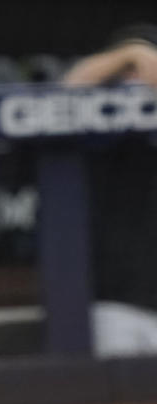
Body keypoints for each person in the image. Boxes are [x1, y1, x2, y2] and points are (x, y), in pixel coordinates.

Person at [62, 23, 157, 357]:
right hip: (117, 305)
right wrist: (131, 54)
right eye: (125, 71)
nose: (138, 78)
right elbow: (70, 86)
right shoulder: (96, 132)